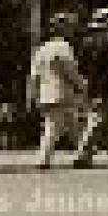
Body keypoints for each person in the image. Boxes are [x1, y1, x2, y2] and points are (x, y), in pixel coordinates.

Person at [27, 16, 87, 170]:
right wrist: (81, 84)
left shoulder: (42, 49)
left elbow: (34, 75)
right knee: (53, 128)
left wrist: (33, 95)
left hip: (46, 93)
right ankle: (43, 159)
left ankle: (83, 155)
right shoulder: (63, 47)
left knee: (73, 126)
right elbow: (70, 70)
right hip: (62, 93)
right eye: (68, 27)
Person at [73, 8, 108, 167]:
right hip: (107, 85)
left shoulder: (86, 42)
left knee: (103, 121)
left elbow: (80, 66)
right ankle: (83, 154)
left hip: (90, 84)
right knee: (98, 119)